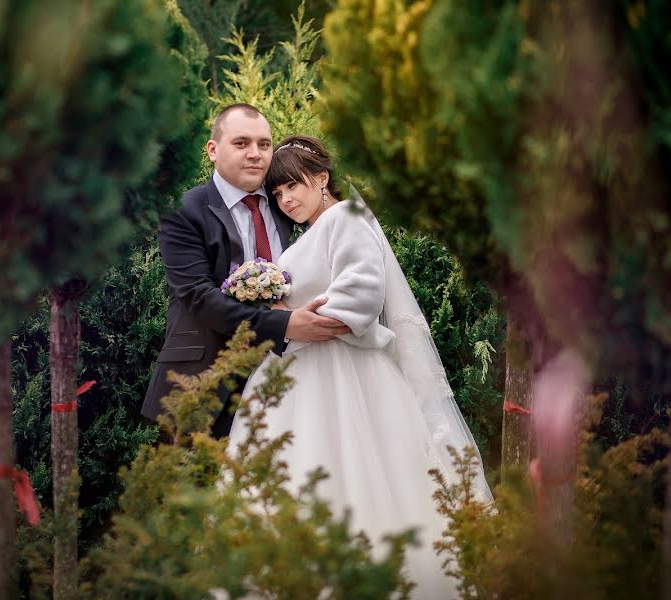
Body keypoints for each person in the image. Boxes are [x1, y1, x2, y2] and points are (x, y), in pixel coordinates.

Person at [227, 135, 493, 598]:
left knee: (354, 471)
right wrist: (280, 316)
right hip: (299, 373)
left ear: (322, 178)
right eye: (278, 193)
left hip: (345, 373)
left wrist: (300, 318)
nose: (287, 199)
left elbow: (362, 294)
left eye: (294, 186)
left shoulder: (346, 218)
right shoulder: (314, 232)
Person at [142, 105, 350, 438]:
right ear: (213, 150)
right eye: (241, 143)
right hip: (204, 384)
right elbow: (198, 297)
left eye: (264, 144)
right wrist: (285, 325)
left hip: (286, 383)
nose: (255, 154)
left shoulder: (287, 201)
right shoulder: (184, 212)